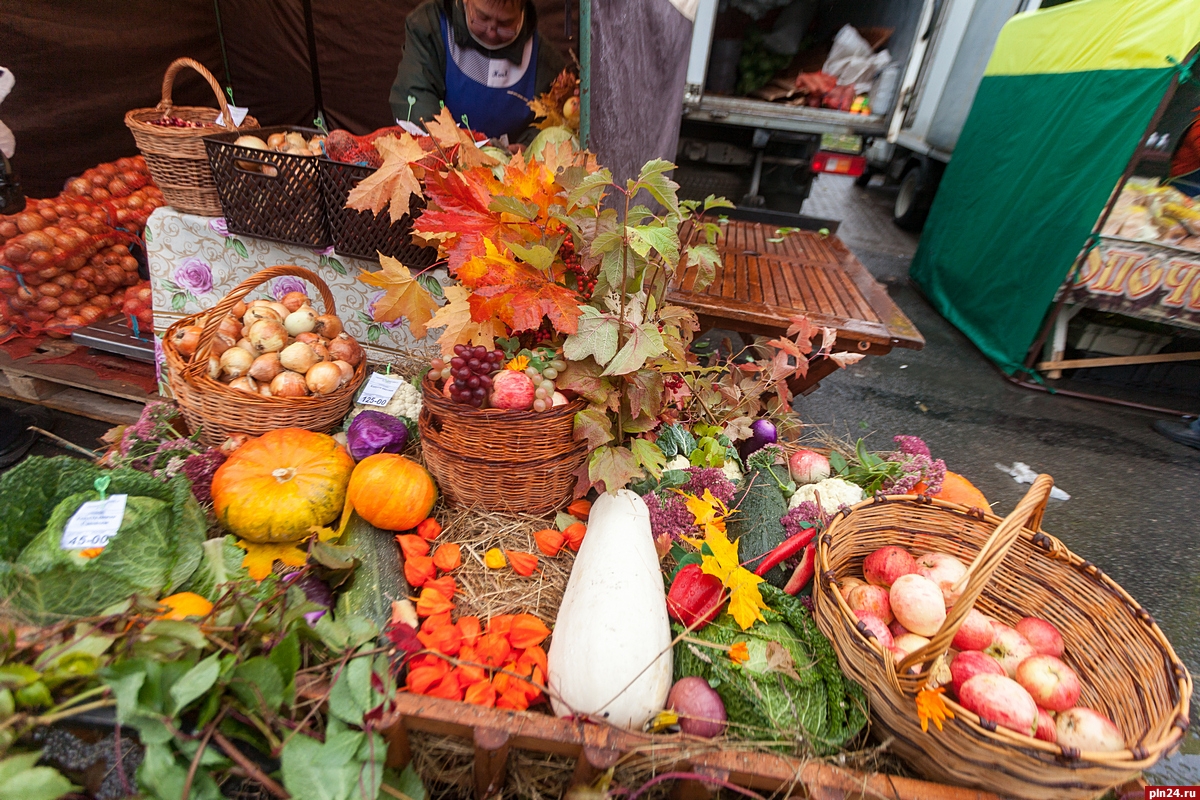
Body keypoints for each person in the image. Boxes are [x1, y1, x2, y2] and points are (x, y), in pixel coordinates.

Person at [389, 0, 566, 144]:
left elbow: (553, 125)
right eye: (482, 18)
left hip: (510, 176)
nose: (491, 32)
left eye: (505, 24)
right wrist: (458, 148)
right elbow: (415, 96)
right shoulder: (430, 26)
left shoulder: (545, 59)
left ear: (522, 12)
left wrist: (526, 148)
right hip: (443, 163)